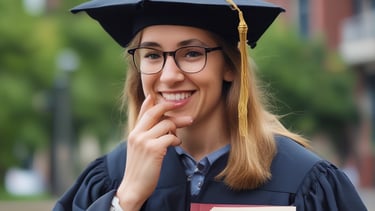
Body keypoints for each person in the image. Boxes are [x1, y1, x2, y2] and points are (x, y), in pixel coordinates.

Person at [53, 0, 367, 210]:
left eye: (192, 53)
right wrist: (126, 199)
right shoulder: (112, 177)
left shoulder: (303, 180)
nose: (169, 75)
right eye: (152, 55)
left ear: (230, 67)